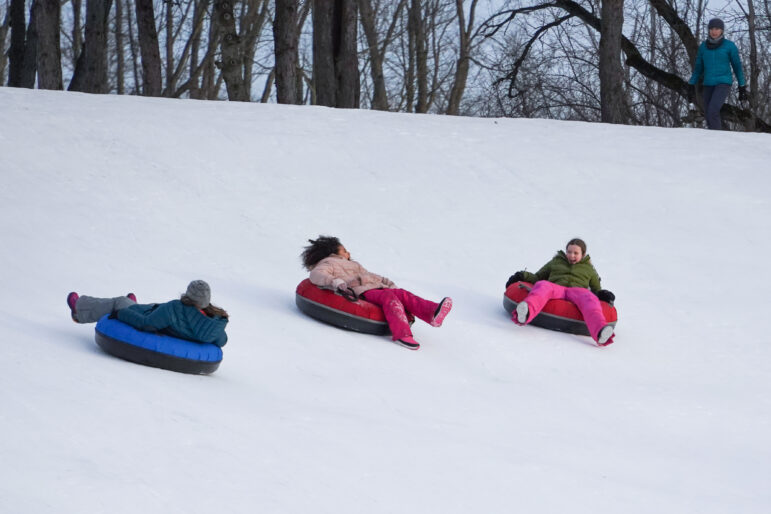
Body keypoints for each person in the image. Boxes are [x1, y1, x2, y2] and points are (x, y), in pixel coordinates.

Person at [301, 236, 452, 350]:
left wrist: (388, 283)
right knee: (389, 297)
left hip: (375, 287)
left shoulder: (354, 264)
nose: (348, 252)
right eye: (344, 250)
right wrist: (336, 282)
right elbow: (316, 275)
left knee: (402, 293)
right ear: (332, 252)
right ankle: (402, 334)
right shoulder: (328, 263)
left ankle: (432, 313)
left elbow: (372, 276)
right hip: (361, 291)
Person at [506, 238, 616, 346]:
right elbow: (538, 277)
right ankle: (526, 311)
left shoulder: (589, 269)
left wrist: (603, 294)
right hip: (556, 287)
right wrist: (522, 275)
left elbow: (596, 290)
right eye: (569, 252)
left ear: (583, 254)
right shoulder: (556, 261)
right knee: (543, 285)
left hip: (578, 291)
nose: (571, 255)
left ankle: (600, 331)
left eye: (575, 253)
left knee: (590, 298)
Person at [66, 280, 229, 347]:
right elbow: (222, 340)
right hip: (161, 316)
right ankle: (134, 305)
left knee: (120, 302)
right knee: (146, 306)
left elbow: (147, 324)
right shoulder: (214, 321)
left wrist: (121, 314)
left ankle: (79, 309)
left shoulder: (175, 308)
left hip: (153, 317)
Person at [688, 17, 747, 130]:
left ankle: (716, 140)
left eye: (717, 29)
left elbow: (737, 67)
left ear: (722, 31)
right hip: (708, 83)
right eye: (711, 29)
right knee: (708, 112)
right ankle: (715, 138)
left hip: (723, 82)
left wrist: (742, 86)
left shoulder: (729, 46)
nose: (714, 31)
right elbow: (698, 68)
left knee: (713, 110)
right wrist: (691, 84)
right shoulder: (703, 47)